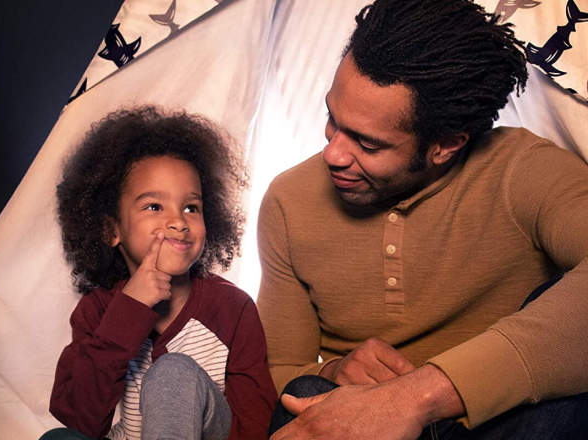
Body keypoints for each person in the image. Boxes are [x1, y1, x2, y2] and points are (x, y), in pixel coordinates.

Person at [256, 0, 588, 439]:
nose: (332, 153)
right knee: (306, 390)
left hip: (496, 426)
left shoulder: (525, 171)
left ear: (444, 146)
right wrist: (338, 370)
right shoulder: (288, 200)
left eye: (368, 144)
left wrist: (417, 396)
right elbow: (273, 370)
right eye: (332, 119)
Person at [43, 106, 277, 440]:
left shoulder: (233, 309)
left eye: (190, 208)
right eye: (154, 206)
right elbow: (80, 421)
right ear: (111, 230)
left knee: (173, 371)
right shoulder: (97, 312)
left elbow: (257, 426)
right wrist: (127, 313)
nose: (179, 222)